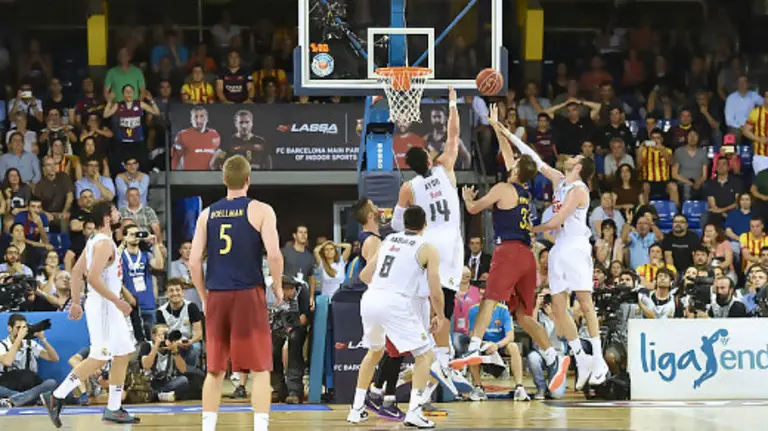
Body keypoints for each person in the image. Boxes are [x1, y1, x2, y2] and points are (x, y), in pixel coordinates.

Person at [452, 104, 568, 398]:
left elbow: (476, 208)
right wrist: (495, 125)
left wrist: (467, 200)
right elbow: (508, 155)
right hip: (528, 256)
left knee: (489, 300)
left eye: (514, 164)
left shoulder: (504, 188)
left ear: (517, 170)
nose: (509, 163)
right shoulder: (526, 191)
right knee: (524, 315)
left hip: (510, 252)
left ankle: (475, 347)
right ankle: (552, 356)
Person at [493, 114, 609, 390]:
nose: (571, 158)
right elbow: (532, 155)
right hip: (559, 249)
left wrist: (529, 229)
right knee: (557, 309)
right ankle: (581, 358)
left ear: (580, 167)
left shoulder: (579, 190)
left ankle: (599, 359)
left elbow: (557, 222)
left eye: (576, 159)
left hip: (576, 247)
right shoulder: (559, 179)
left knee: (584, 301)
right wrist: (506, 133)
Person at [188, 155, 283, 431]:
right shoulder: (262, 210)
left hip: (217, 294)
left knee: (215, 369)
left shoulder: (207, 213)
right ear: (248, 180)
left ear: (224, 180)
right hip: (248, 293)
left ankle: (208, 428)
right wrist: (276, 285)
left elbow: (194, 261)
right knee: (260, 367)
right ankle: (261, 427)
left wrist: (204, 296)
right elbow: (275, 255)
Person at [391, 87, 463, 395]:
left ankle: (425, 357)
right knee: (443, 302)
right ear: (430, 158)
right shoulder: (446, 166)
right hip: (453, 245)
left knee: (424, 300)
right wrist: (452, 103)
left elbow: (396, 224)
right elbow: (453, 134)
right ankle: (441, 359)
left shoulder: (409, 187)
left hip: (428, 245)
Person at [41, 201, 139, 427]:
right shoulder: (103, 243)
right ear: (106, 217)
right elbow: (92, 278)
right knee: (100, 356)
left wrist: (76, 302)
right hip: (105, 305)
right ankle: (56, 396)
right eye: (114, 211)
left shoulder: (94, 240)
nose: (118, 214)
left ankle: (113, 408)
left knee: (123, 352)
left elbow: (76, 271)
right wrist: (118, 301)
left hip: (104, 305)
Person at [346, 206, 443, 428]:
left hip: (370, 298)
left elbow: (364, 275)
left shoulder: (388, 240)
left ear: (404, 222)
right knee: (424, 355)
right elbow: (435, 291)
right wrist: (440, 314)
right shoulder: (428, 248)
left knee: (374, 352)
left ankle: (356, 408)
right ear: (424, 224)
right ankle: (415, 412)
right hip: (395, 301)